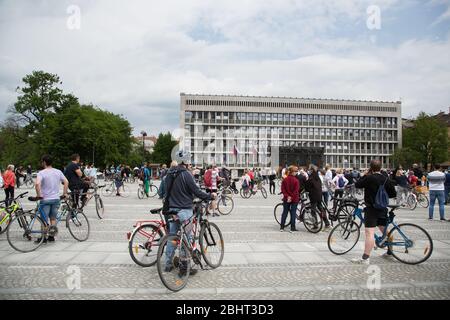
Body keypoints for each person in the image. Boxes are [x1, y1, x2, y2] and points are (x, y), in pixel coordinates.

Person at [164, 150, 215, 277]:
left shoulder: (169, 173)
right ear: (186, 161)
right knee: (187, 239)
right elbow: (196, 191)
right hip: (184, 210)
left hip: (172, 210)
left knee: (172, 238)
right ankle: (184, 267)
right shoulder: (186, 174)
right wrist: (210, 196)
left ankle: (167, 265)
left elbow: (166, 190)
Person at [352, 159, 397, 264]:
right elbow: (392, 194)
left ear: (371, 167)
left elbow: (357, 184)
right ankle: (390, 252)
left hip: (371, 209)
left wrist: (365, 174)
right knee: (384, 230)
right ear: (380, 167)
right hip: (382, 208)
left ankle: (365, 258)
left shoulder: (369, 178)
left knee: (369, 233)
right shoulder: (386, 178)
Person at [34, 155, 69, 243]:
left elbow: (37, 184)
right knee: (53, 218)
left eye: (42, 162)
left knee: (44, 219)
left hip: (45, 199)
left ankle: (43, 238)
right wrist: (64, 193)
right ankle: (51, 236)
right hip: (56, 199)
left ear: (44, 162)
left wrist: (39, 195)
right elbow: (66, 182)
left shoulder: (41, 173)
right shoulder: (58, 171)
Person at [306, 166, 330, 230]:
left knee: (313, 211)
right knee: (321, 209)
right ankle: (327, 223)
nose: (308, 171)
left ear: (311, 170)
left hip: (313, 196)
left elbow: (307, 187)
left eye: (309, 169)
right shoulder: (317, 177)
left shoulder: (311, 178)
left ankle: (315, 225)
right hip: (319, 196)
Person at [280, 166, 300, 233]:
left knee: (285, 212)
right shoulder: (296, 180)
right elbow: (296, 191)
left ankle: (282, 227)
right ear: (293, 172)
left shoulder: (285, 179)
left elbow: (283, 189)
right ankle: (292, 228)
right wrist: (291, 197)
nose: (296, 173)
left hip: (286, 198)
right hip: (294, 199)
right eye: (296, 171)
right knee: (293, 212)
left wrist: (287, 196)